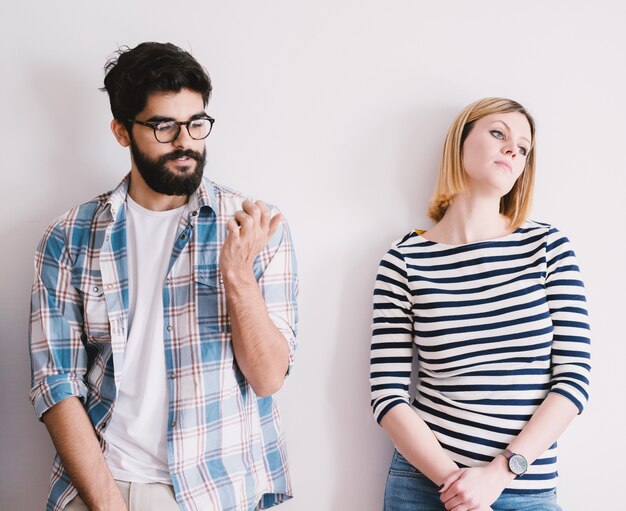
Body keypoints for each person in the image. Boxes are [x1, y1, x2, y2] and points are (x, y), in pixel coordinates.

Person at [28, 42, 298, 511]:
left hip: (217, 491)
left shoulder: (256, 226)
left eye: (196, 123)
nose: (185, 142)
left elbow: (268, 377)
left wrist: (237, 274)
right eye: (163, 125)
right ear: (121, 131)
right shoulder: (69, 237)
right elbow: (56, 386)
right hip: (102, 486)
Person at [370, 98, 590, 511]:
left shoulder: (547, 247)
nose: (512, 149)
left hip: (525, 491)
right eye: (498, 133)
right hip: (424, 487)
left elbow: (573, 381)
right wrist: (459, 488)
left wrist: (498, 475)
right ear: (460, 141)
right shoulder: (404, 260)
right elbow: (388, 396)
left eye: (523, 148)